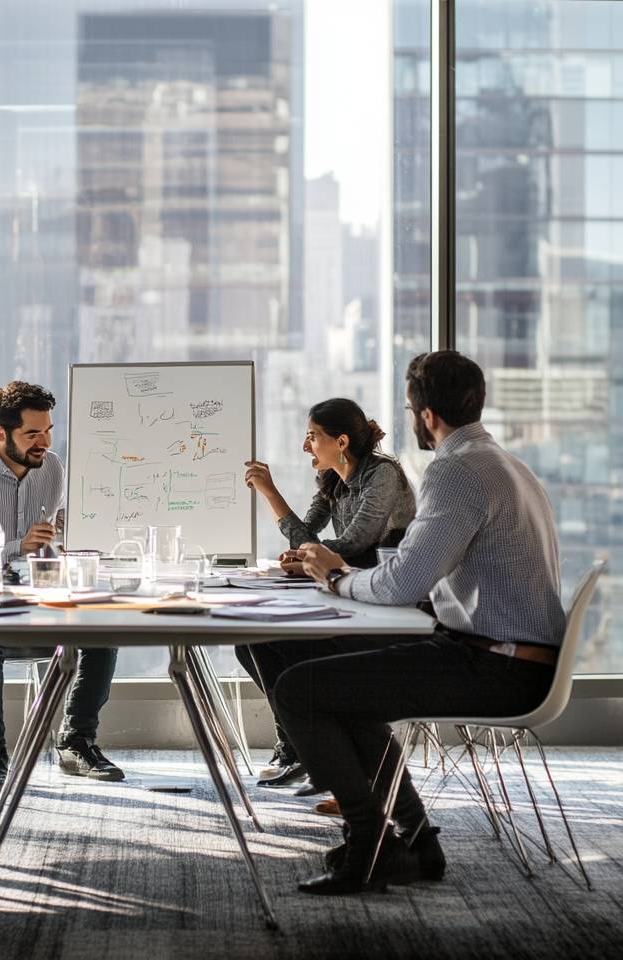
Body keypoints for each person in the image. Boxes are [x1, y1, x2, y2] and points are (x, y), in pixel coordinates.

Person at [276, 350, 565, 895]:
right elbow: (417, 569)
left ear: (425, 414)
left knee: (300, 690)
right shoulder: (506, 463)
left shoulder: (456, 471)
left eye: (411, 410)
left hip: (493, 664)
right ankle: (415, 841)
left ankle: (371, 845)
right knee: (343, 687)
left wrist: (336, 578)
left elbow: (403, 583)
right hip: (507, 655)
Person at [0, 380, 122, 792]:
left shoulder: (51, 468)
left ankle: (76, 741)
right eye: (32, 434)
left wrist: (79, 533)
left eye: (49, 430)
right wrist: (18, 546)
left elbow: (62, 533)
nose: (44, 443)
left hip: (37, 603)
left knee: (103, 632)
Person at [237, 399, 416, 789]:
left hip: (384, 602)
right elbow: (308, 536)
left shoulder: (382, 475)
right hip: (345, 591)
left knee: (293, 646)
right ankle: (300, 744)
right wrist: (299, 548)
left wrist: (307, 556)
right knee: (252, 643)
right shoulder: (333, 481)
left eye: (312, 436)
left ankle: (313, 748)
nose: (306, 447)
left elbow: (354, 543)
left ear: (342, 441)